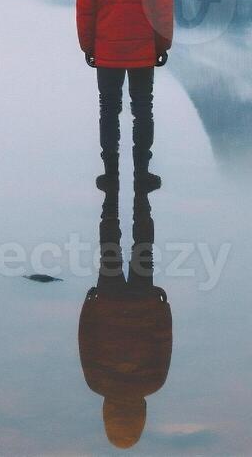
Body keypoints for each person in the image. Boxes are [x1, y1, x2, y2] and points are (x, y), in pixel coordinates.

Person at [76, 0, 172, 191]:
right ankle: (142, 173)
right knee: (143, 108)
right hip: (143, 50)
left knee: (109, 107)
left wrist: (88, 46)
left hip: (107, 50)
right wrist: (162, 45)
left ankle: (110, 173)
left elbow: (85, 10)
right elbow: (163, 11)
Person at [78, 182, 171, 450]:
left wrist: (162, 305)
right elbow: (87, 338)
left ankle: (139, 196)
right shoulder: (97, 383)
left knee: (143, 249)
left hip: (142, 305)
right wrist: (90, 302)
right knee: (110, 250)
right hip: (109, 303)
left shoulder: (153, 383)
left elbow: (162, 339)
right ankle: (111, 198)